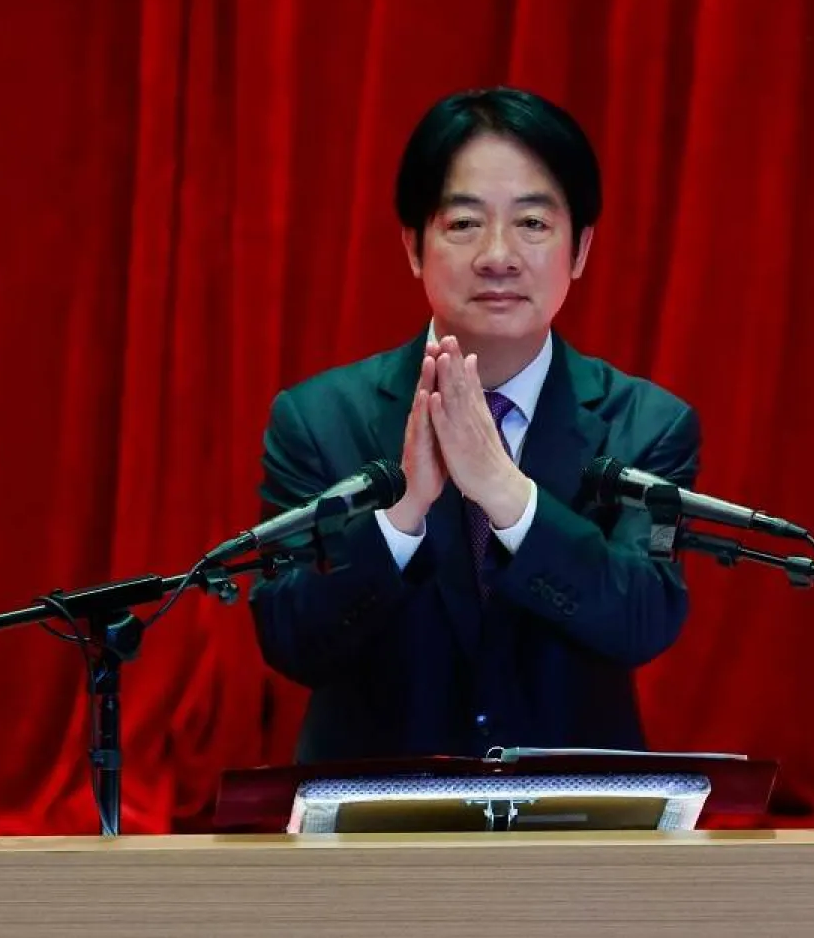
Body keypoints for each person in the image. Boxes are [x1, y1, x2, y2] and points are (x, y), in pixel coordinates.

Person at [248, 86, 701, 763]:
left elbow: (640, 620)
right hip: (373, 825)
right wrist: (401, 517)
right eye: (463, 223)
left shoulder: (646, 424)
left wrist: (508, 496)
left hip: (576, 827)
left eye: (532, 224)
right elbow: (291, 640)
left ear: (579, 250)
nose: (498, 254)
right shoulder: (317, 420)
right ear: (412, 244)